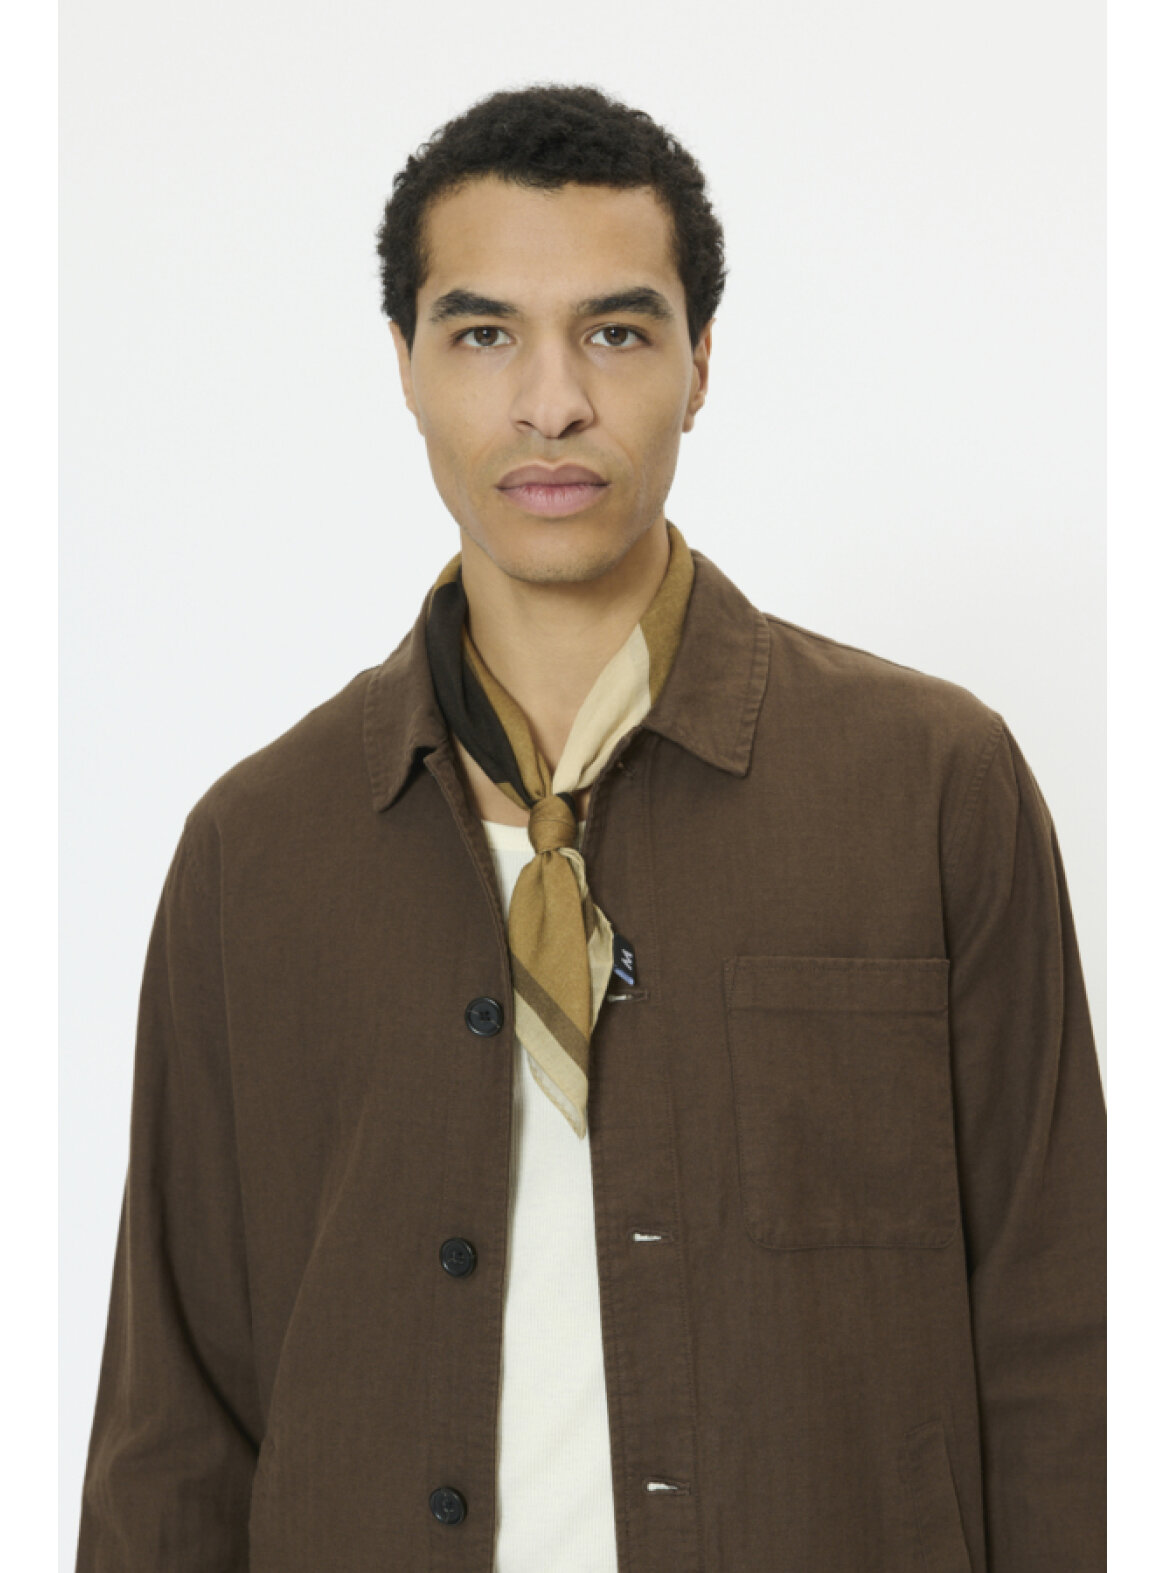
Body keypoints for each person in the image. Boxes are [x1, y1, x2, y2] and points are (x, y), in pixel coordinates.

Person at [75, 83, 1106, 1572]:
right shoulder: (260, 848)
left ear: (700, 365)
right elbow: (174, 1421)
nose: (550, 402)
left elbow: (1063, 1339)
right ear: (404, 366)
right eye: (483, 334)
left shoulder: (932, 786)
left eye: (616, 333)